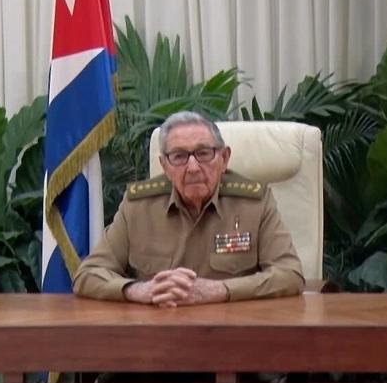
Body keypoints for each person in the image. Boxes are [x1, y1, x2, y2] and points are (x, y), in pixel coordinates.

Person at [73, 111, 305, 305]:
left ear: (224, 158)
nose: (193, 167)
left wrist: (220, 290)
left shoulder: (254, 202)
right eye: (179, 156)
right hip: (158, 337)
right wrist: (139, 290)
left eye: (204, 153)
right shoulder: (138, 206)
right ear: (164, 165)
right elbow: (88, 274)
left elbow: (289, 274)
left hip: (232, 335)